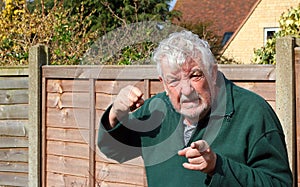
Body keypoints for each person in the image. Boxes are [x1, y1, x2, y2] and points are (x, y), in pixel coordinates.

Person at [97, 30, 292, 186]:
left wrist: (218, 165)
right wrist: (116, 113)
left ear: (213, 73)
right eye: (173, 80)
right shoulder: (155, 110)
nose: (186, 90)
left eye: (195, 75)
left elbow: (278, 183)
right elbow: (115, 150)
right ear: (163, 84)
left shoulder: (253, 112)